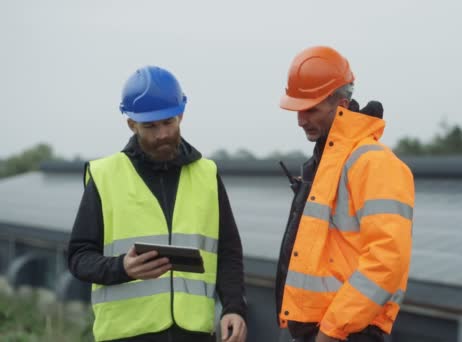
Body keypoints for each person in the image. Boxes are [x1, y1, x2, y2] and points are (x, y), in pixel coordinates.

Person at [67, 66, 247, 342]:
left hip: (195, 334)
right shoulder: (105, 176)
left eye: (169, 122)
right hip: (126, 335)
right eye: (151, 126)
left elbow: (229, 251)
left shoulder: (207, 174)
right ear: (131, 124)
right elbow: (79, 257)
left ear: (181, 115)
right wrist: (122, 268)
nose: (162, 133)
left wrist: (234, 307)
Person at [275, 46, 415, 342]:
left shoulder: (374, 163)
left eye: (311, 108)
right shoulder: (325, 164)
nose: (301, 120)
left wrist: (331, 331)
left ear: (342, 103)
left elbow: (387, 260)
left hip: (348, 333)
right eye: (298, 109)